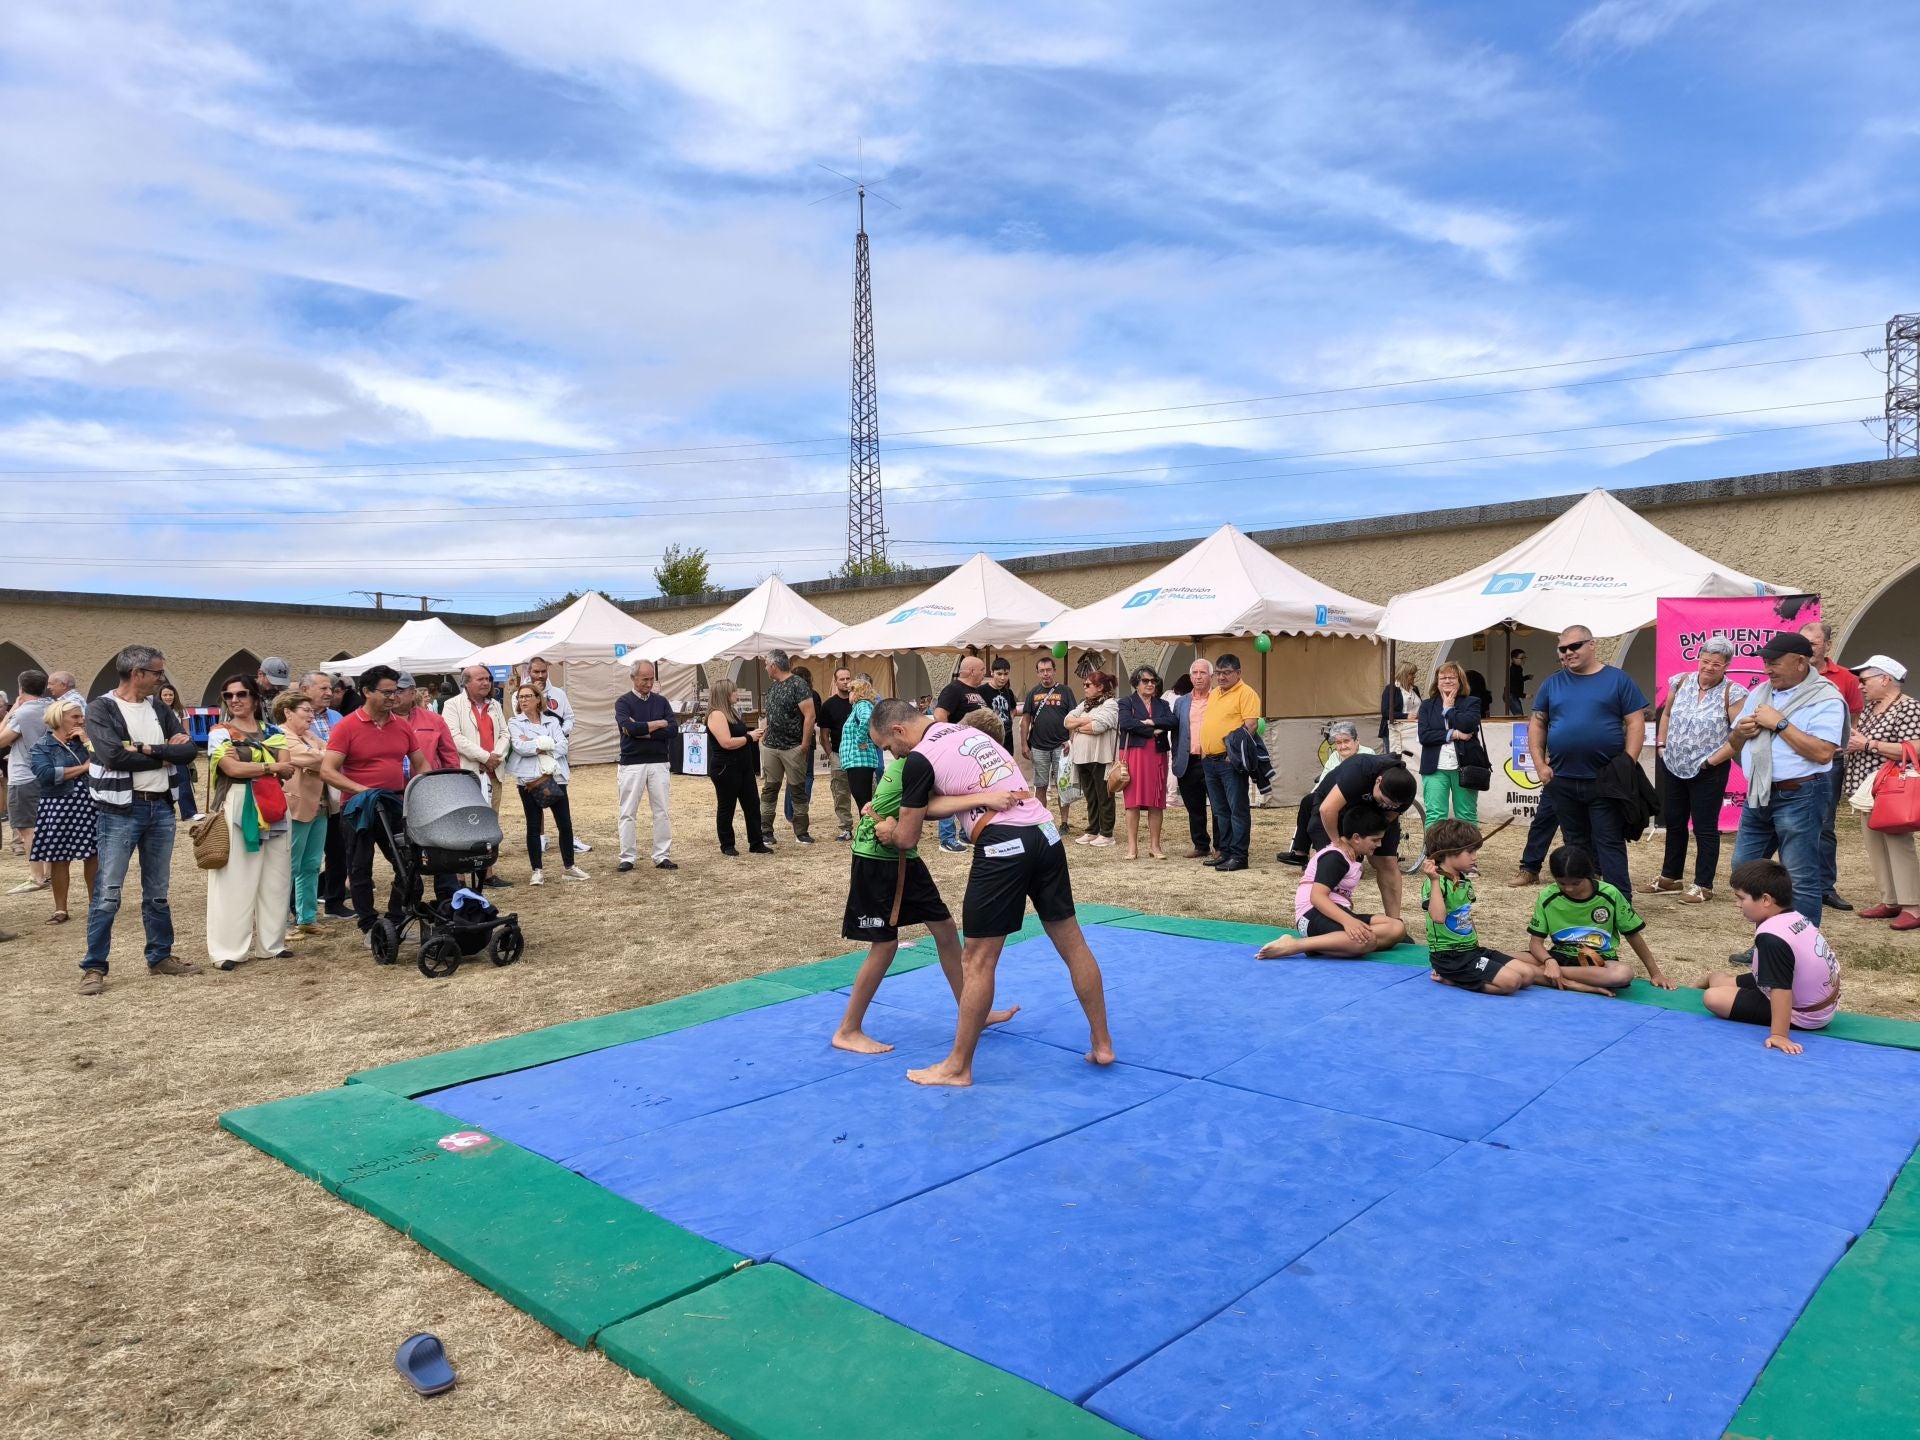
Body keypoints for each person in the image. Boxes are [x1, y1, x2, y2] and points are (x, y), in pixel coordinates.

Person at [865, 698, 1114, 1088]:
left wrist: (888, 830)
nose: (889, 756)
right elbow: (950, 797)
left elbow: (907, 837)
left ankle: (958, 1066)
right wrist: (955, 804)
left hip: (1003, 843)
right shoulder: (967, 733)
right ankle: (1102, 1043)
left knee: (977, 959)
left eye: (886, 746)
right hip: (1044, 833)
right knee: (1072, 941)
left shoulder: (917, 759)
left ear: (898, 731)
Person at [832, 745, 1018, 1055]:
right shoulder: (922, 761)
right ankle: (848, 1029)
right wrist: (984, 798)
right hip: (877, 856)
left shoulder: (927, 758)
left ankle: (973, 1011)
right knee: (885, 944)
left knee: (945, 930)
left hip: (904, 855)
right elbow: (930, 806)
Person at [79, 645, 202, 994]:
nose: (161, 679)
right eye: (157, 673)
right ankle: (93, 966)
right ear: (138, 674)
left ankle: (160, 955)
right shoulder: (102, 708)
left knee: (157, 892)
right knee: (108, 892)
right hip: (121, 809)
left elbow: (189, 751)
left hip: (160, 807)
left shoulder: (157, 706)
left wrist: (147, 749)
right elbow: (113, 756)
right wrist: (166, 754)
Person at [1729, 632, 1846, 930]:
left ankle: (1799, 945)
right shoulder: (1760, 693)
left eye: (1774, 662)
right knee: (1745, 868)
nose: (1767, 668)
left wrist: (1779, 723)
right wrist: (1741, 732)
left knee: (1800, 876)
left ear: (1800, 662)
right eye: (1765, 661)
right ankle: (1770, 939)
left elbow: (1822, 753)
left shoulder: (1826, 697)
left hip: (1802, 793)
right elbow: (1734, 741)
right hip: (1760, 792)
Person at [1520, 625, 1648, 896]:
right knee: (1575, 843)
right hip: (1563, 778)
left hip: (1605, 778)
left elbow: (1635, 722)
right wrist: (1540, 764)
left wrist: (1628, 762)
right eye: (1562, 649)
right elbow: (1538, 723)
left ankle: (1620, 903)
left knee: (1609, 841)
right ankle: (1584, 898)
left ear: (1592, 645)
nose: (1568, 653)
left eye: (1574, 646)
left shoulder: (1617, 680)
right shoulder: (1552, 683)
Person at [319, 664, 433, 940]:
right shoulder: (347, 726)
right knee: (360, 868)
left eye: (395, 692)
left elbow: (422, 765)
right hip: (358, 807)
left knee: (407, 865)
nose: (393, 697)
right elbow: (328, 770)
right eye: (386, 693)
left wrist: (424, 790)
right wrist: (363, 790)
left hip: (394, 805)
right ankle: (370, 927)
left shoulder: (401, 726)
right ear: (367, 692)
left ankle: (395, 921)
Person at [1696, 859, 1841, 1053]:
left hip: (1805, 1015)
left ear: (1765, 900)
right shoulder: (1795, 916)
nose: (1737, 904)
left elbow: (1781, 989)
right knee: (1721, 982)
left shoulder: (1772, 936)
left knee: (1713, 998)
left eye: (1741, 898)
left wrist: (1779, 1035)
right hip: (1812, 998)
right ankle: (1710, 978)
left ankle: (1712, 980)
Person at [1646, 636, 1747, 903]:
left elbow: (1740, 733)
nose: (1709, 667)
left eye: (1717, 663)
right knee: (1675, 821)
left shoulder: (1733, 692)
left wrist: (1713, 760)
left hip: (1708, 769)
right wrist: (1661, 744)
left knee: (1704, 827)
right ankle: (1671, 877)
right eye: (1705, 661)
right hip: (1673, 763)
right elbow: (1666, 714)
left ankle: (1703, 884)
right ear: (1698, 659)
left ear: (1726, 666)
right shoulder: (1679, 681)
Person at [205, 676, 296, 971]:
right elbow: (232, 768)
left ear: (255, 699)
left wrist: (253, 765)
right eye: (228, 695)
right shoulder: (219, 731)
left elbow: (289, 769)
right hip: (239, 803)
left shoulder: (273, 731)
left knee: (276, 876)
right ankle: (227, 949)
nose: (235, 700)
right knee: (235, 877)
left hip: (273, 804)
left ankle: (272, 944)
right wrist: (269, 765)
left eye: (242, 694)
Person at [1255, 802, 1409, 959]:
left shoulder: (1350, 855)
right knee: (1365, 942)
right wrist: (1349, 921)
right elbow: (1317, 897)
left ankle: (1329, 944)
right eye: (1375, 840)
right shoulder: (1335, 857)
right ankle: (1295, 945)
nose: (1379, 844)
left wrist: (1350, 921)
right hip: (1312, 914)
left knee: (1396, 927)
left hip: (1335, 911)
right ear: (1356, 838)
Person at [1526, 845, 1675, 995]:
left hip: (1598, 961)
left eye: (1575, 883)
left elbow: (1632, 935)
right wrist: (1549, 961)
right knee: (1504, 959)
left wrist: (1656, 973)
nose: (1569, 889)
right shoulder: (1547, 895)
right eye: (1562, 883)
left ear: (1587, 874)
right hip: (1558, 955)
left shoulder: (1610, 894)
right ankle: (1573, 983)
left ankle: (1544, 974)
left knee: (1623, 974)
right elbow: (1535, 942)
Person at [1420, 819, 1544, 994]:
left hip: (1471, 951)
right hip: (1450, 958)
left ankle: (1466, 975)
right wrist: (1433, 881)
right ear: (1448, 852)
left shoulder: (1463, 881)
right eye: (1470, 852)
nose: (1475, 857)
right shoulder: (1436, 883)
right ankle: (1452, 979)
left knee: (1528, 975)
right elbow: (1438, 918)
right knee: (1512, 982)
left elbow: (1466, 916)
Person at [1843, 654, 1920, 930]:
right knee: (1875, 845)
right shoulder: (1870, 709)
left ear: (1885, 679)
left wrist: (1868, 745)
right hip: (1868, 790)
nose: (1861, 686)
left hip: (1892, 789)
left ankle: (1913, 905)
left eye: (1864, 680)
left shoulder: (1908, 707)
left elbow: (1913, 749)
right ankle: (1891, 900)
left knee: (1898, 845)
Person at [1802, 619, 1865, 914]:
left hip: (1830, 761)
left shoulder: (1846, 679)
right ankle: (1793, 883)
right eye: (1804, 643)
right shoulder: (1791, 674)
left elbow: (1851, 718)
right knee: (1788, 823)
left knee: (1824, 824)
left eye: (1813, 643)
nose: (1808, 649)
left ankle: (1825, 887)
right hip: (1794, 760)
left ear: (1827, 644)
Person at [1308, 752, 1418, 919]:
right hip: (1334, 809)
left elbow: (1386, 820)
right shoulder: (1360, 770)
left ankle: (1394, 921)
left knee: (1387, 862)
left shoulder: (1404, 795)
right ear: (1378, 781)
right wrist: (1338, 842)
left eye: (1391, 805)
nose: (1385, 805)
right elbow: (1327, 809)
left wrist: (1372, 846)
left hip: (1373, 814)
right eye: (1383, 800)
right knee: (1336, 859)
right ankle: (1320, 916)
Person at [507, 681, 587, 885]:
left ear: (537, 699)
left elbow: (563, 746)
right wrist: (545, 743)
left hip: (556, 776)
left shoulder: (551, 722)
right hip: (529, 778)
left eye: (527, 696)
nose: (523, 700)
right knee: (533, 824)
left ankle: (569, 866)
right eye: (520, 697)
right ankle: (537, 870)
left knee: (565, 823)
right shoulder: (515, 723)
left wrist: (538, 744)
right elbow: (519, 747)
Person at [27, 696, 98, 927]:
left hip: (89, 803)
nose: (81, 720)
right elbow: (46, 774)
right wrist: (84, 768)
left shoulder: (85, 741)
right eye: (75, 717)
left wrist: (87, 741)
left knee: (93, 856)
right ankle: (60, 909)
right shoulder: (41, 746)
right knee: (59, 858)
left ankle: (95, 905)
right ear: (59, 719)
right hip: (57, 805)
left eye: (81, 716)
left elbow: (105, 761)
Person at [443, 664, 510, 888]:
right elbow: (453, 736)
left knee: (490, 824)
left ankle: (488, 873)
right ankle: (461, 876)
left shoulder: (495, 706)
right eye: (480, 679)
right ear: (466, 683)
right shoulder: (453, 705)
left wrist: (495, 756)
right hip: (468, 775)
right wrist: (483, 756)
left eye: (488, 679)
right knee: (465, 825)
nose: (486, 683)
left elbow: (504, 733)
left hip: (493, 774)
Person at [274, 691, 331, 937]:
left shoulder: (308, 735)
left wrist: (320, 759)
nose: (311, 715)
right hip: (294, 808)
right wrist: (321, 759)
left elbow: (329, 755)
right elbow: (312, 757)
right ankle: (280, 922)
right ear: (288, 712)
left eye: (311, 711)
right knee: (289, 866)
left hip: (320, 807)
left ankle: (307, 917)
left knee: (311, 864)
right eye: (305, 711)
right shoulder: (279, 735)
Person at [1278, 722, 1376, 865]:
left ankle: (1348, 857)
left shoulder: (1368, 754)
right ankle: (1301, 852)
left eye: (1346, 741)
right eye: (1338, 743)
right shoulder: (1334, 757)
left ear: (1357, 741)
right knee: (1308, 801)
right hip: (1333, 797)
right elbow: (1322, 783)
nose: (1342, 747)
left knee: (1345, 808)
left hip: (1359, 800)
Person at [1199, 653, 1262, 872]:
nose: (1222, 677)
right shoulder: (1215, 693)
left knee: (1237, 809)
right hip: (1210, 760)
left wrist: (1232, 753)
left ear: (1238, 673)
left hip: (1229, 762)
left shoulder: (1246, 693)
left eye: (1227, 673)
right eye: (1219, 673)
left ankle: (1239, 855)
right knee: (1220, 810)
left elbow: (1251, 725)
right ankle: (1224, 852)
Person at [614, 659, 678, 872]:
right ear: (633, 678)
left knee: (661, 811)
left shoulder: (661, 701)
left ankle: (662, 855)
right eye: (645, 679)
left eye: (652, 679)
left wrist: (643, 731)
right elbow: (628, 728)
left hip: (659, 762)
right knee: (628, 811)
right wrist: (658, 724)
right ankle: (627, 856)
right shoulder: (623, 702)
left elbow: (673, 730)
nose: (649, 683)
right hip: (632, 763)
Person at [932, 656, 992, 853]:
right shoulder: (953, 689)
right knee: (948, 792)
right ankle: (947, 838)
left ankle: (967, 833)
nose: (985, 673)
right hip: (956, 750)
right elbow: (940, 715)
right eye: (982, 669)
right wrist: (952, 739)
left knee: (970, 792)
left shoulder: (975, 692)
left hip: (973, 753)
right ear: (972, 670)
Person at [2, 670, 54, 895]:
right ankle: (50, 873)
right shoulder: (53, 707)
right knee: (46, 826)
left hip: (24, 776)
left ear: (21, 688)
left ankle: (36, 876)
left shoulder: (22, 713)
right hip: (48, 773)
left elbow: (1, 739)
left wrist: (11, 710)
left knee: (26, 828)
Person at [758, 649, 816, 846]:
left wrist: (805, 743)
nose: (765, 668)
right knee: (770, 789)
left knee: (798, 789)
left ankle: (801, 832)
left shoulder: (798, 685)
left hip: (793, 747)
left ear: (774, 666)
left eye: (766, 664)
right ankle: (765, 830)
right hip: (772, 746)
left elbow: (810, 715)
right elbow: (771, 714)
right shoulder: (774, 687)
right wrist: (765, 734)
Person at [705, 677, 768, 856]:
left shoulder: (731, 712)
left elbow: (736, 736)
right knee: (727, 807)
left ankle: (756, 842)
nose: (736, 693)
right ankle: (727, 844)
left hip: (743, 766)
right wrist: (749, 737)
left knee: (752, 804)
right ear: (725, 693)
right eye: (733, 691)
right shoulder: (716, 714)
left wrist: (751, 734)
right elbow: (726, 742)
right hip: (726, 767)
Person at [1117, 665, 1174, 860]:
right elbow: (1125, 723)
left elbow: (1173, 721)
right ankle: (1132, 848)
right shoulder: (1126, 702)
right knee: (1132, 802)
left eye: (1153, 681)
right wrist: (1153, 729)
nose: (1150, 684)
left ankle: (1155, 846)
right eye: (1145, 681)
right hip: (1133, 753)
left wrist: (1149, 722)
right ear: (1136, 683)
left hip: (1157, 755)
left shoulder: (1162, 704)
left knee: (1156, 801)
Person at [1417, 661, 1484, 825]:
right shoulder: (1427, 705)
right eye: (1443, 678)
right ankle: (1435, 851)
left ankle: (1466, 851)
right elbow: (1424, 736)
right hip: (1435, 768)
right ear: (1437, 682)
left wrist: (1448, 709)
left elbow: (1468, 725)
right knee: (1435, 815)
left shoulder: (1471, 702)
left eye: (1451, 677)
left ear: (1460, 680)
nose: (1447, 681)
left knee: (1466, 815)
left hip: (1464, 766)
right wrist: (1453, 734)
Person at [1063, 669, 1120, 848]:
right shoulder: (1085, 704)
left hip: (1100, 756)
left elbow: (1099, 726)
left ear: (1100, 687)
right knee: (1090, 795)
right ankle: (1093, 829)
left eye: (1088, 685)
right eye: (1084, 685)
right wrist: (1084, 723)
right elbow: (1066, 721)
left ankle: (1107, 833)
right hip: (1082, 757)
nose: (1085, 688)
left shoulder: (1111, 704)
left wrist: (1078, 725)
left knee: (1104, 795)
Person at [1170, 658, 1218, 861]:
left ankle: (1221, 846)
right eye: (1195, 673)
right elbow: (1176, 732)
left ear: (1211, 676)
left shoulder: (1218, 699)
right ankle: (1200, 844)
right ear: (1190, 677)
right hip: (1189, 761)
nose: (1198, 677)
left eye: (1203, 673)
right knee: (1193, 806)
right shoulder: (1181, 702)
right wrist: (1176, 756)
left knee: (1218, 806)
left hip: (1213, 760)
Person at [1021, 655, 1073, 835]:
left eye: (1048, 670)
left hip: (1061, 746)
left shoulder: (1066, 691)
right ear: (1037, 673)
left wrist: (1070, 741)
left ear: (1054, 671)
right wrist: (1024, 744)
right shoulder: (1032, 693)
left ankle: (1064, 823)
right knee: (1040, 786)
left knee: (1062, 785)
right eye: (1042, 671)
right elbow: (1026, 719)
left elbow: (1073, 718)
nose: (1046, 674)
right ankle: (1041, 820)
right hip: (1039, 746)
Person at [816, 666, 857, 842]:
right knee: (840, 793)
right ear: (836, 681)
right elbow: (823, 735)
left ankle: (870, 826)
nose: (846, 682)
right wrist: (831, 755)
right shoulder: (829, 705)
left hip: (859, 755)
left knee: (867, 791)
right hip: (839, 754)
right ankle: (846, 827)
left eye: (848, 678)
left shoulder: (859, 702)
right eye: (842, 679)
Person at [156, 680, 200, 821]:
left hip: (178, 749)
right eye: (165, 695)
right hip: (161, 748)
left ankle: (189, 812)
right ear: (160, 696)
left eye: (170, 695)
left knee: (183, 779)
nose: (168, 697)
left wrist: (186, 745)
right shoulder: (155, 711)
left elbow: (186, 731)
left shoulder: (181, 711)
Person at [838, 674, 881, 811]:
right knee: (863, 800)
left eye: (851, 690)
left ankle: (869, 831)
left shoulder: (862, 704)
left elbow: (866, 718)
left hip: (859, 760)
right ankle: (868, 830)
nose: (849, 693)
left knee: (863, 801)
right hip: (856, 761)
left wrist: (860, 740)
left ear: (858, 692)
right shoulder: (859, 706)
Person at [1380, 661, 1421, 765]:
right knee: (1396, 759)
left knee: (1413, 760)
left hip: (1414, 731)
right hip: (1395, 731)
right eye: (1411, 674)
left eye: (1414, 673)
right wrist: (1406, 716)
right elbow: (1385, 712)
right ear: (1404, 674)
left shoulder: (1415, 689)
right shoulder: (1391, 688)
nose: (1414, 676)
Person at [526, 656, 574, 735]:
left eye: (543, 671)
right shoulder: (519, 695)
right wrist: (535, 693)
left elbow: (569, 718)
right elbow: (522, 718)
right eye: (536, 672)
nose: (540, 675)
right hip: (532, 742)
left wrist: (561, 732)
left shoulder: (559, 693)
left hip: (558, 742)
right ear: (529, 672)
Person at [984, 658, 1017, 738]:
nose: (1003, 678)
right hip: (990, 737)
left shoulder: (1009, 692)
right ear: (992, 673)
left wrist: (1010, 719)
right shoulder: (981, 691)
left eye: (1006, 674)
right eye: (999, 674)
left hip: (1007, 737)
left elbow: (1013, 709)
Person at [1505, 648, 1531, 717]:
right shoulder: (1514, 670)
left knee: (1519, 716)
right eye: (1521, 658)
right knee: (1519, 716)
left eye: (1525, 658)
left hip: (1513, 694)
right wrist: (1523, 695)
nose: (1524, 660)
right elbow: (1514, 686)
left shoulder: (1518, 668)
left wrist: (1527, 677)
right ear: (1513, 659)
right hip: (1511, 695)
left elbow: (1518, 680)